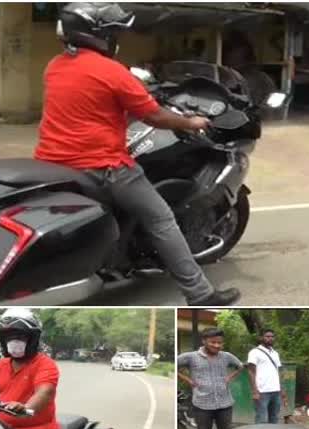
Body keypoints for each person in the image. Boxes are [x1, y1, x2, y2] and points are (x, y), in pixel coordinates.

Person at [33, 3, 240, 306]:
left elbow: (91, 104)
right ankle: (200, 294)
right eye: (114, 33)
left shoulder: (54, 67)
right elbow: (155, 116)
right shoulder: (111, 71)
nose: (116, 39)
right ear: (97, 35)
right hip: (103, 168)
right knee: (161, 219)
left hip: (52, 165)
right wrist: (190, 122)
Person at [177, 328, 244, 429]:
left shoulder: (226, 356)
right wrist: (188, 380)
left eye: (220, 342)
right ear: (204, 341)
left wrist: (229, 377)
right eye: (213, 342)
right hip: (202, 404)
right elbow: (175, 365)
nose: (217, 345)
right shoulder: (191, 357)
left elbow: (240, 366)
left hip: (225, 403)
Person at [247, 328, 287, 424]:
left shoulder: (275, 353)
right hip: (262, 392)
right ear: (261, 338)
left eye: (272, 337)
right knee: (262, 419)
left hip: (276, 391)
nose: (270, 338)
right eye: (267, 336)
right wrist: (255, 391)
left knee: (274, 418)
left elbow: (278, 372)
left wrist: (282, 390)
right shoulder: (254, 352)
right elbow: (251, 372)